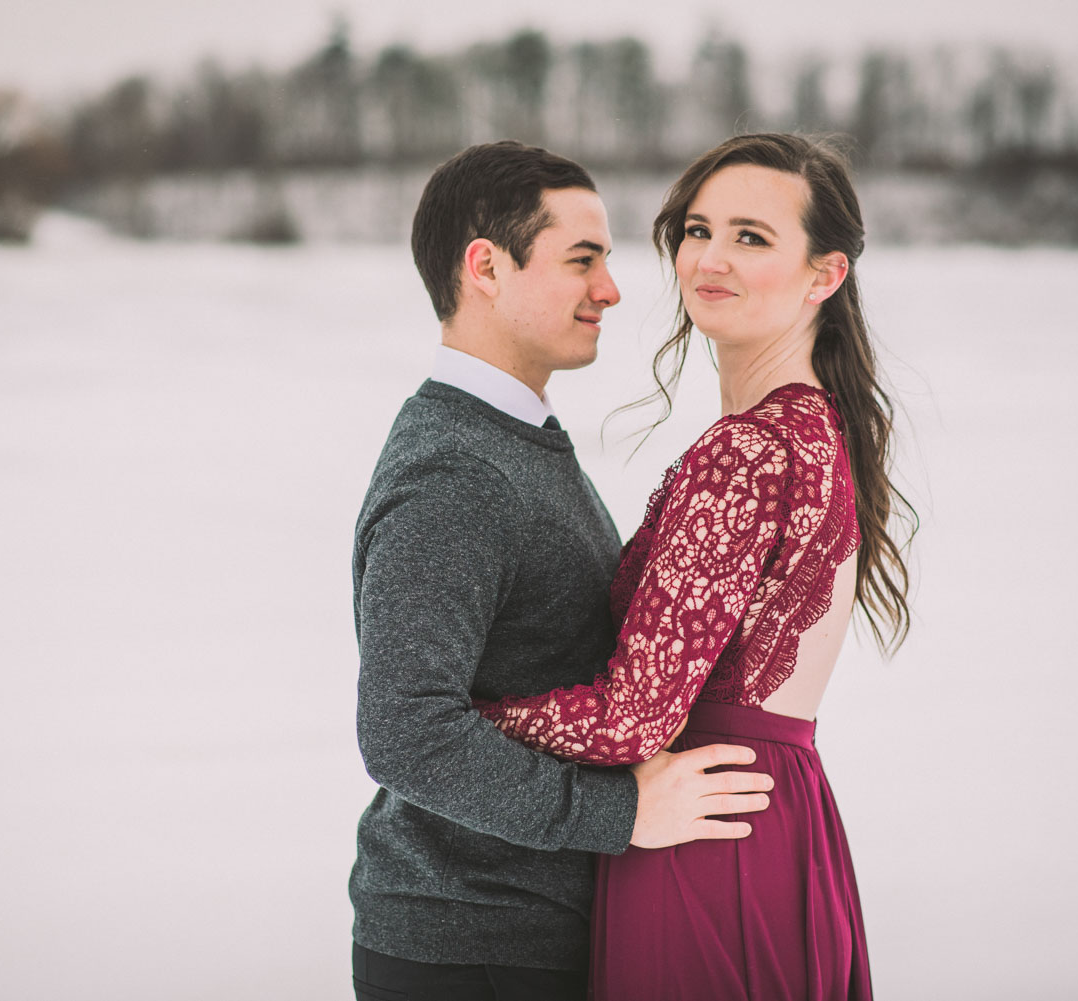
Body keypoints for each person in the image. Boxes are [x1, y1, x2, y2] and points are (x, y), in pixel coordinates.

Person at [475, 133, 914, 1000]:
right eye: (698, 230)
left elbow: (633, 717)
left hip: (701, 834)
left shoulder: (748, 452)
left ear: (824, 274)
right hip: (779, 817)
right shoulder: (820, 429)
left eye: (751, 237)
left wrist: (467, 718)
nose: (710, 258)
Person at [350, 140, 777, 1001]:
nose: (610, 289)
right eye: (582, 259)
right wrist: (621, 813)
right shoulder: (454, 472)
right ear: (486, 267)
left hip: (520, 936)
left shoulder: (509, 439)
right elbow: (405, 728)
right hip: (471, 947)